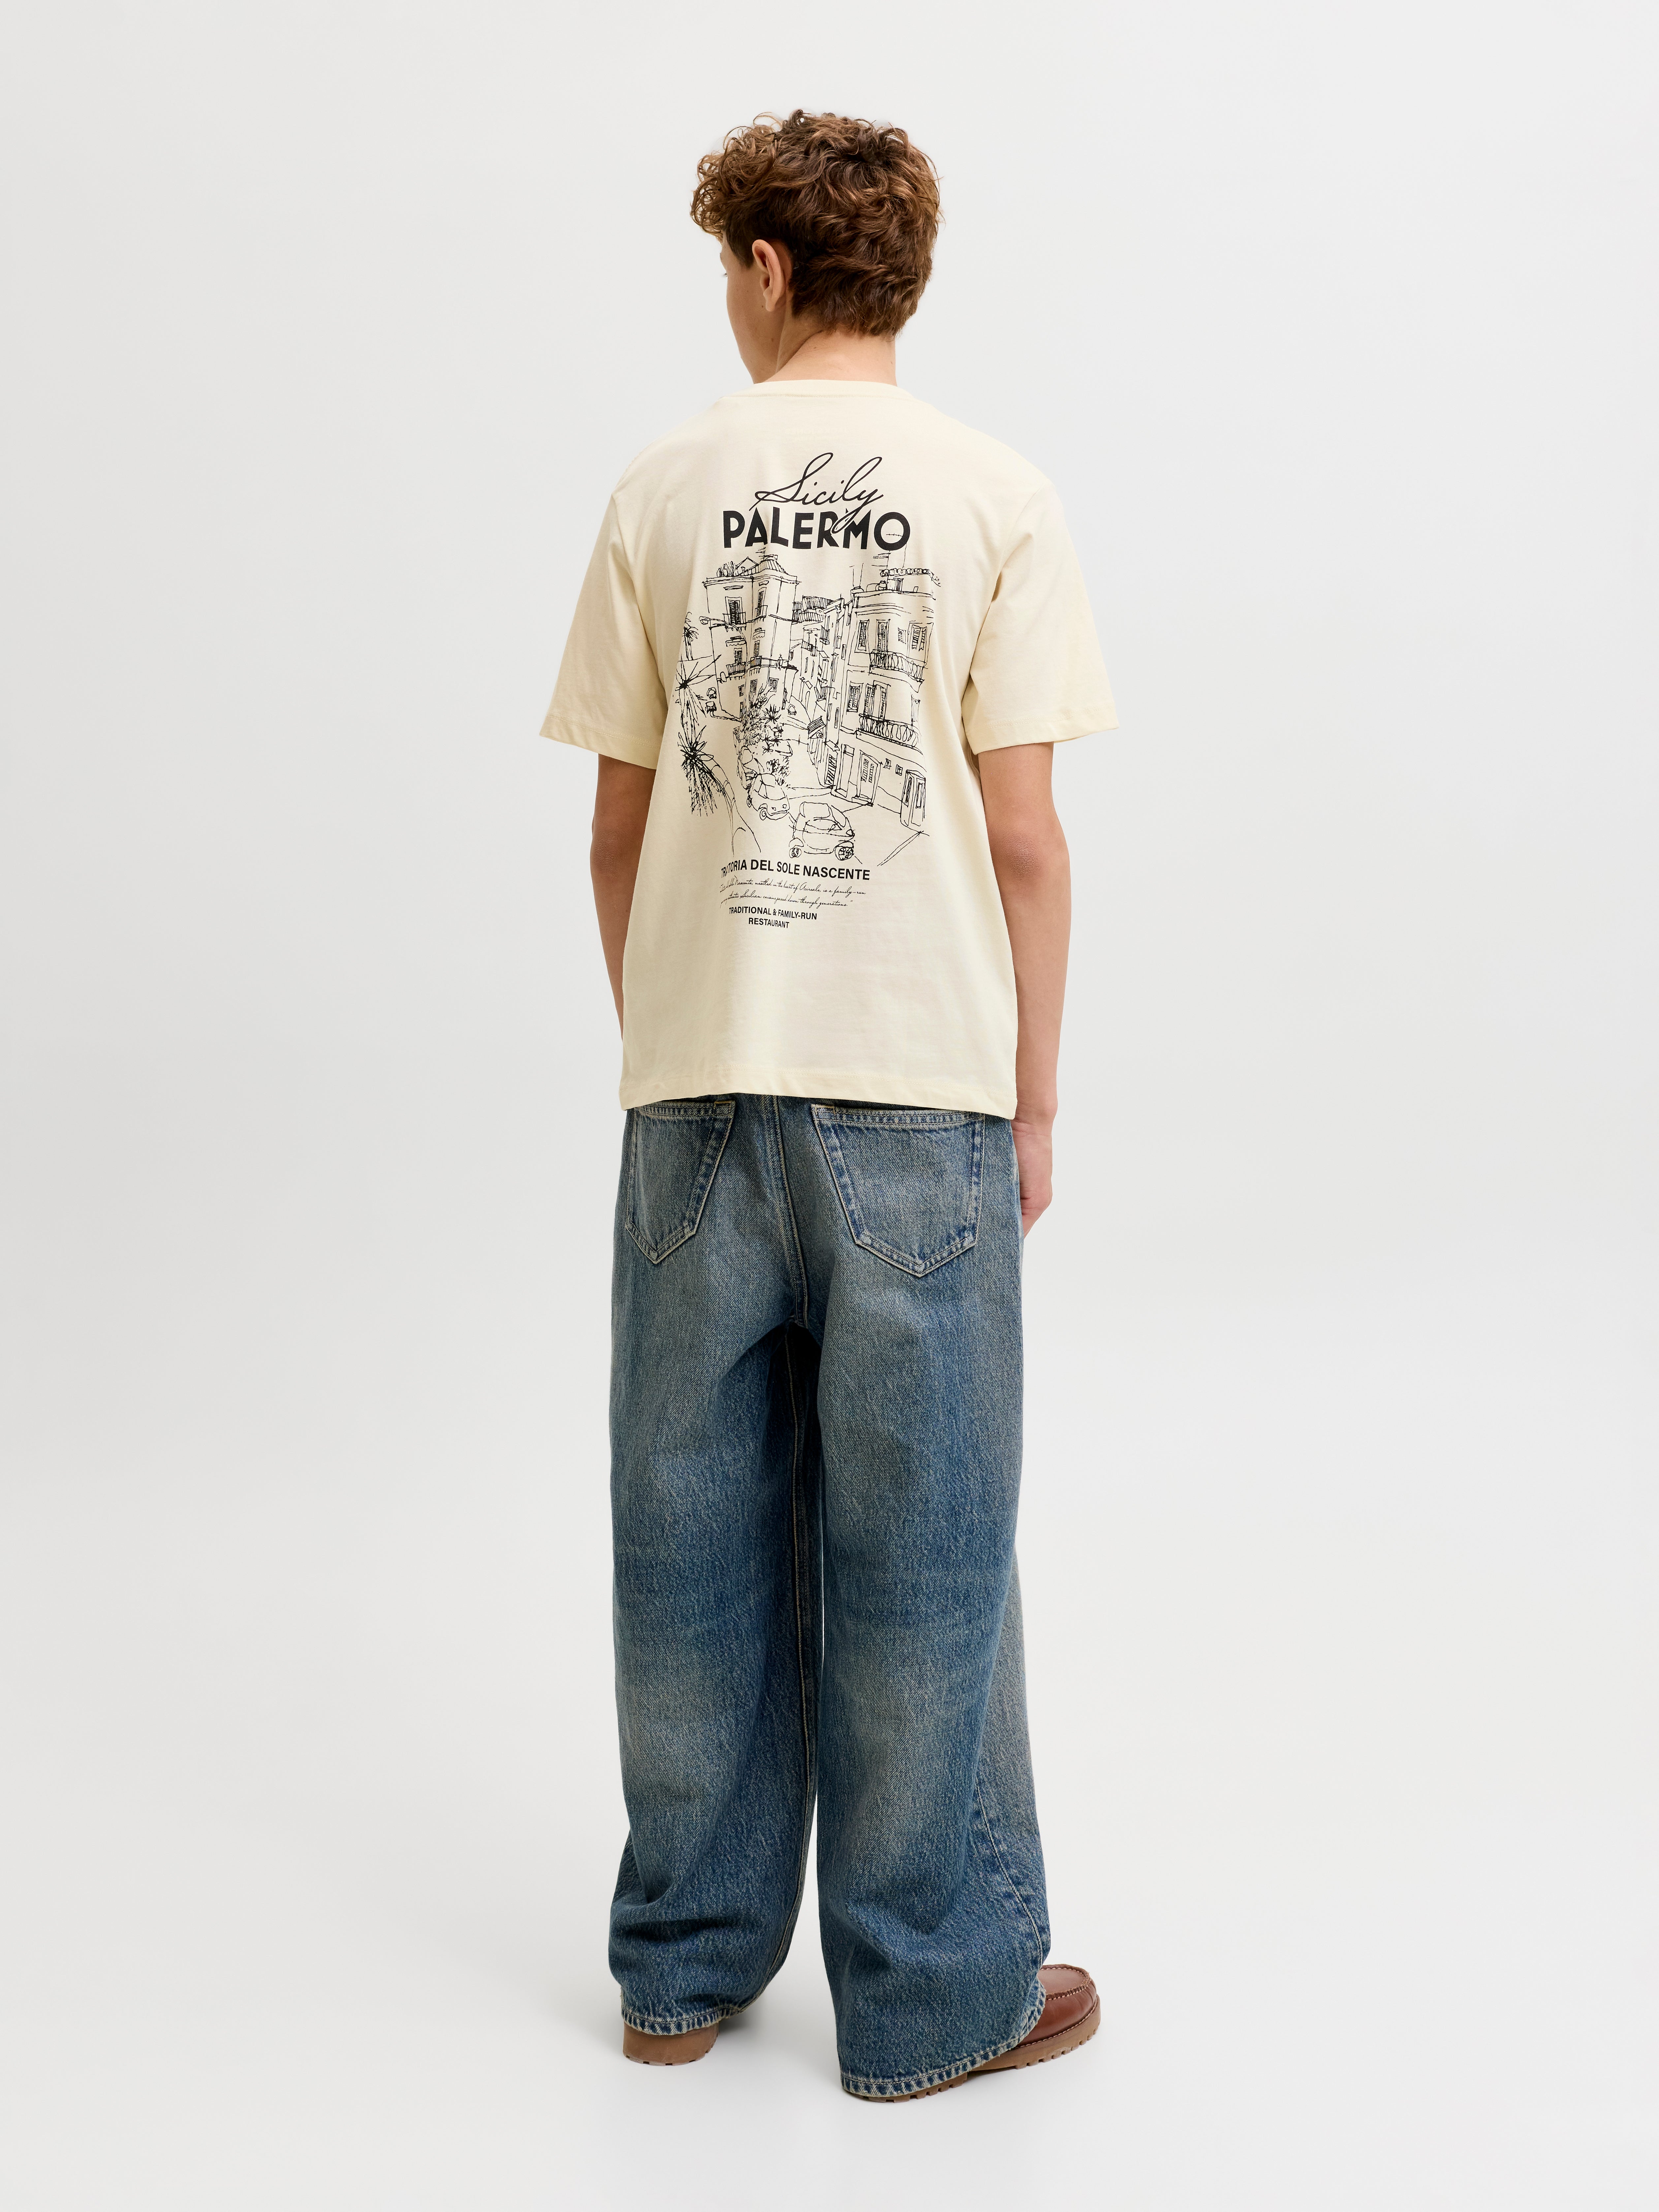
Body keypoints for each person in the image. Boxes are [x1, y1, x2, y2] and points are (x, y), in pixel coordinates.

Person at [541, 109, 1117, 2102]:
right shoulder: (997, 495)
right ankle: (934, 1993)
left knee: (686, 1532)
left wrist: (673, 1041)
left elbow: (615, 832)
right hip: (917, 1093)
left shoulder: (660, 486)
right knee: (927, 1545)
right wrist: (1033, 1100)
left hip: (696, 1095)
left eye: (729, 265)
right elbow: (1025, 841)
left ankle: (681, 1968)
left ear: (770, 270)